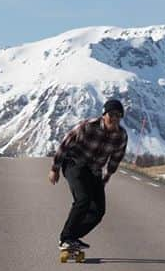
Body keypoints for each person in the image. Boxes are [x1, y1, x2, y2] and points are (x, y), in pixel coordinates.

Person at [48, 98, 128, 251]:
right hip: (74, 163)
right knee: (83, 199)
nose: (114, 118)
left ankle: (72, 237)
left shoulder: (121, 136)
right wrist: (54, 169)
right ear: (104, 114)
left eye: (118, 115)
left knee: (98, 210)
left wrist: (107, 176)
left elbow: (116, 158)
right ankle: (65, 238)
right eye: (111, 114)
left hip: (94, 170)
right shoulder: (88, 126)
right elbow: (65, 144)